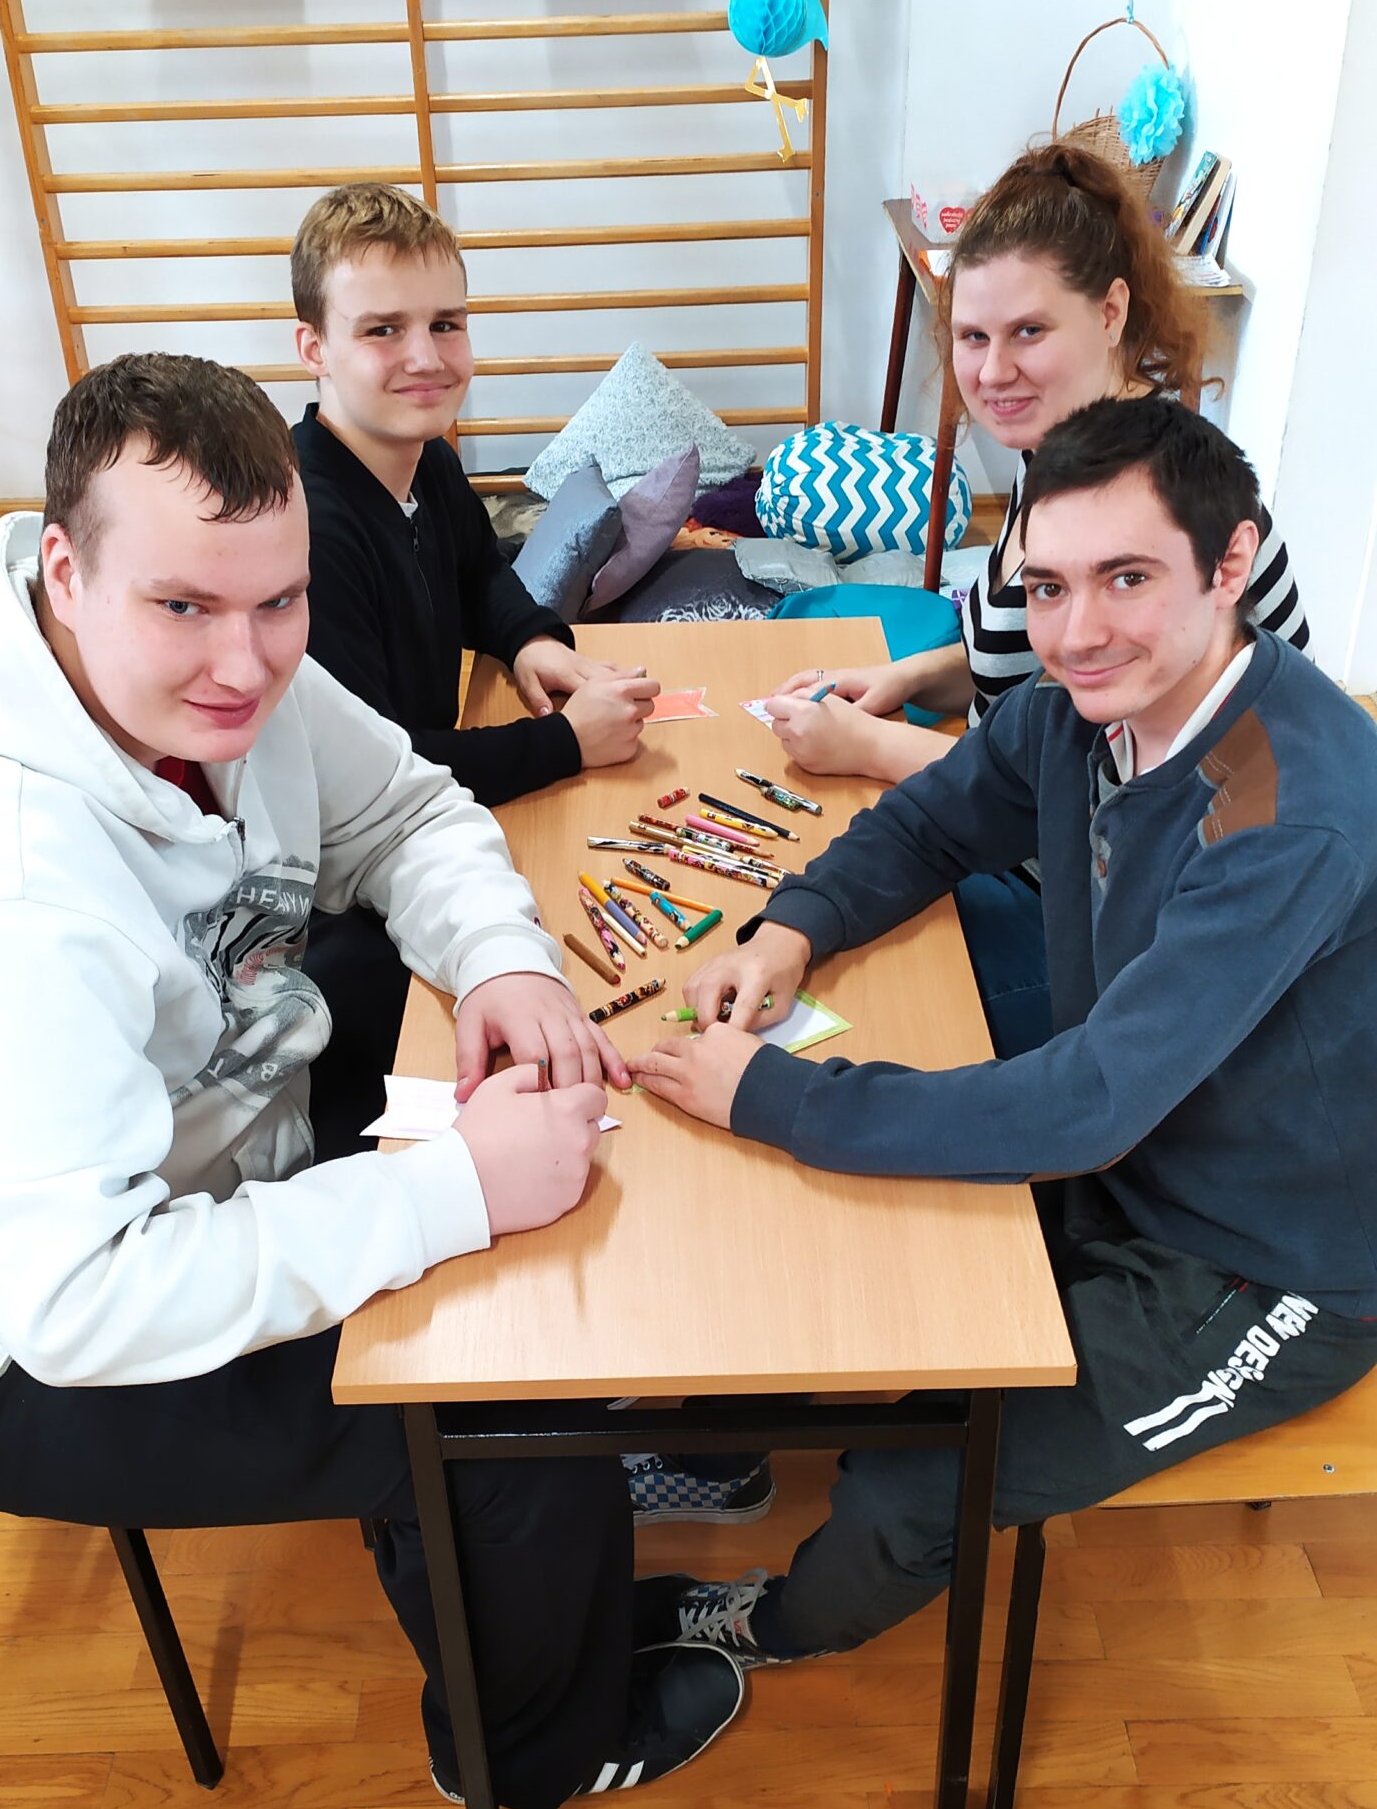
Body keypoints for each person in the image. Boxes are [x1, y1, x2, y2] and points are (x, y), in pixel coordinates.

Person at [0, 353, 743, 1809]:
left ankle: (523, 1556)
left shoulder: (221, 650)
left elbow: (411, 810)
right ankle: (534, 1749)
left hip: (208, 1126)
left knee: (443, 1052)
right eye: (185, 609)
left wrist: (504, 965)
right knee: (496, 1411)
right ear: (64, 570)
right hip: (18, 1343)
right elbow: (83, 1299)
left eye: (282, 603)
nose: (247, 665)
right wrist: (447, 1193)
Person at [629, 398, 1377, 1670]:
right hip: (1128, 1161)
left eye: (1127, 578)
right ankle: (722, 1451)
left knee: (919, 1477)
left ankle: (773, 1628)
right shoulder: (1081, 706)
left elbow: (1086, 1101)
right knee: (816, 1242)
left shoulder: (1291, 811)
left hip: (1266, 1264)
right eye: (1047, 585)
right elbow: (935, 822)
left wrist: (774, 1094)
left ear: (1231, 564)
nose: (1076, 632)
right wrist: (790, 928)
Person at [765, 143, 1310, 1056]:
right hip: (1029, 856)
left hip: (1127, 938)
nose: (991, 371)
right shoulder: (1058, 459)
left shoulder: (1160, 515)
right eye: (973, 338)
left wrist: (868, 746)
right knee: (810, 904)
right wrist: (910, 677)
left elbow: (1074, 791)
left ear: (1111, 312)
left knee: (869, 1016)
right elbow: (1024, 679)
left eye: (1028, 332)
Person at [288, 183, 657, 1156]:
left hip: (422, 825)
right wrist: (564, 744)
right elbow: (386, 771)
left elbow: (483, 573)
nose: (426, 356)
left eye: (445, 324)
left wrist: (533, 641)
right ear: (312, 346)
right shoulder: (309, 529)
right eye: (383, 329)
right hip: (339, 892)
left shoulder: (425, 456)